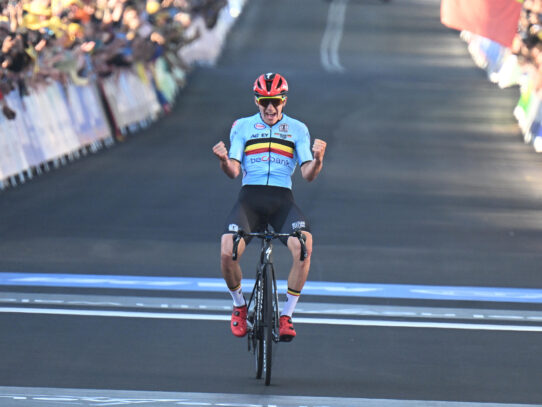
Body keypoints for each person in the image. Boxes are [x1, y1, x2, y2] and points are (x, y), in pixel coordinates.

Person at [212, 72, 327, 342]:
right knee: (228, 252)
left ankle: (286, 315)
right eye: (264, 102)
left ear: (284, 100)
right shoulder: (242, 126)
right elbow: (233, 171)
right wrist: (222, 160)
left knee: (304, 247)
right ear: (256, 101)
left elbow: (308, 174)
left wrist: (319, 159)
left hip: (281, 201)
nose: (270, 108)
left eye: (275, 101)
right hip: (250, 199)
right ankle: (239, 305)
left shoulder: (298, 129)